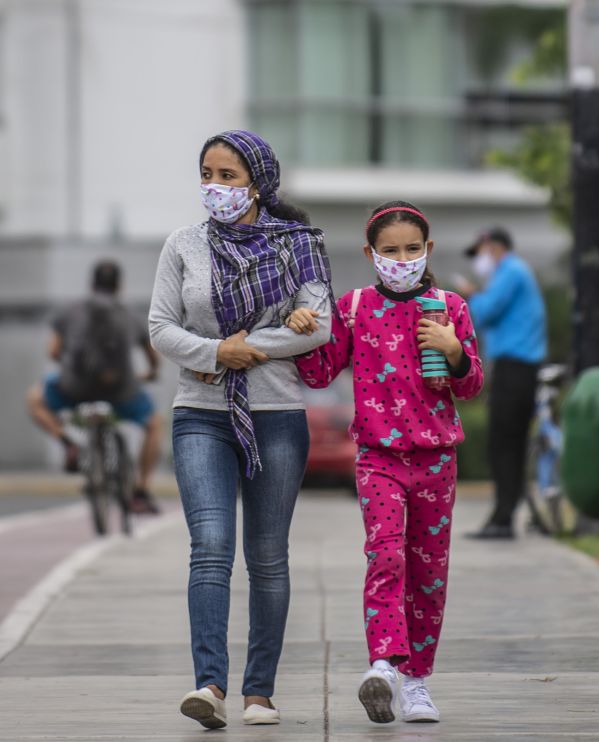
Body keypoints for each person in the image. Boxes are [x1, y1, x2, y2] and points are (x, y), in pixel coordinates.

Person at [148, 129, 333, 729]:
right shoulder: (183, 245)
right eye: (207, 174)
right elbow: (160, 328)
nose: (215, 187)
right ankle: (209, 686)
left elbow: (319, 327)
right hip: (200, 415)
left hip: (276, 417)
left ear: (258, 181)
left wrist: (243, 349)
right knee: (210, 549)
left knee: (268, 557)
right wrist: (212, 354)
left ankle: (260, 692)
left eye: (228, 176)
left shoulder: (298, 245)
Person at [286, 200, 484, 725]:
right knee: (386, 556)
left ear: (429, 250)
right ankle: (384, 665)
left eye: (412, 249)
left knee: (429, 571)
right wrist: (305, 330)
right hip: (378, 459)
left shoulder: (450, 307)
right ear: (370, 253)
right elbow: (321, 372)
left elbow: (471, 385)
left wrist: (454, 349)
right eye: (390, 251)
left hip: (437, 459)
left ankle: (417, 681)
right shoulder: (353, 307)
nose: (402, 259)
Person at [25, 260, 162, 514]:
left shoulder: (69, 311)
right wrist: (150, 373)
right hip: (122, 392)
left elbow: (53, 351)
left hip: (74, 389)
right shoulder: (131, 315)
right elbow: (153, 357)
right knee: (154, 424)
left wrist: (71, 367)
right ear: (120, 286)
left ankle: (68, 443)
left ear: (91, 284)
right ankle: (140, 491)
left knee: (34, 399)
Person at [463, 227, 547, 540]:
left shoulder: (510, 272)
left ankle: (503, 518)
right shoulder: (511, 273)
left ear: (494, 247)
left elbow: (483, 313)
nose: (479, 259)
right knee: (506, 444)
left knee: (505, 444)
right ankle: (502, 514)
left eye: (480, 251)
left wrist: (472, 296)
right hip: (513, 367)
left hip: (516, 367)